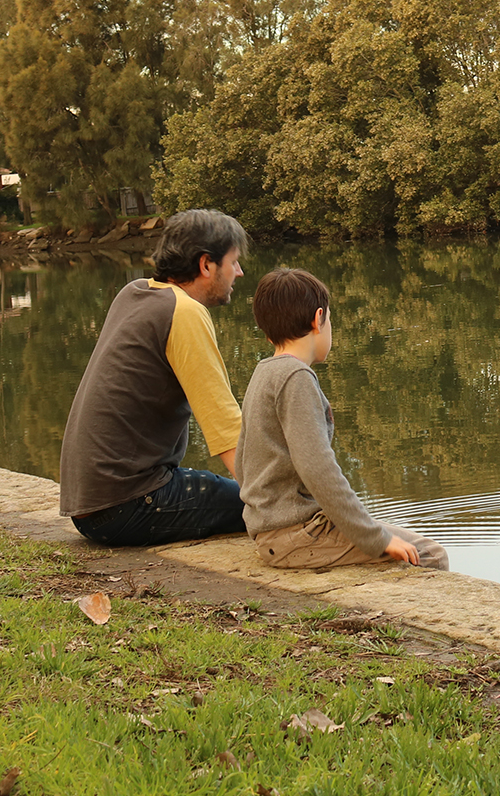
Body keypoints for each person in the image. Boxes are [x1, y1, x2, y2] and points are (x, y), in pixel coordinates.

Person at [59, 209, 250, 546]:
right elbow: (225, 429)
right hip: (126, 506)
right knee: (262, 504)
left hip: (87, 507)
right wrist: (271, 499)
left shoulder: (136, 292)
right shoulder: (185, 312)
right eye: (233, 262)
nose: (239, 272)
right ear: (206, 265)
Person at [238, 267, 448, 571]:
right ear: (318, 318)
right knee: (428, 555)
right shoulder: (296, 377)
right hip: (297, 536)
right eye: (331, 320)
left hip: (272, 533)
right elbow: (317, 467)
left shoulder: (264, 372)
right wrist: (375, 538)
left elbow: (244, 461)